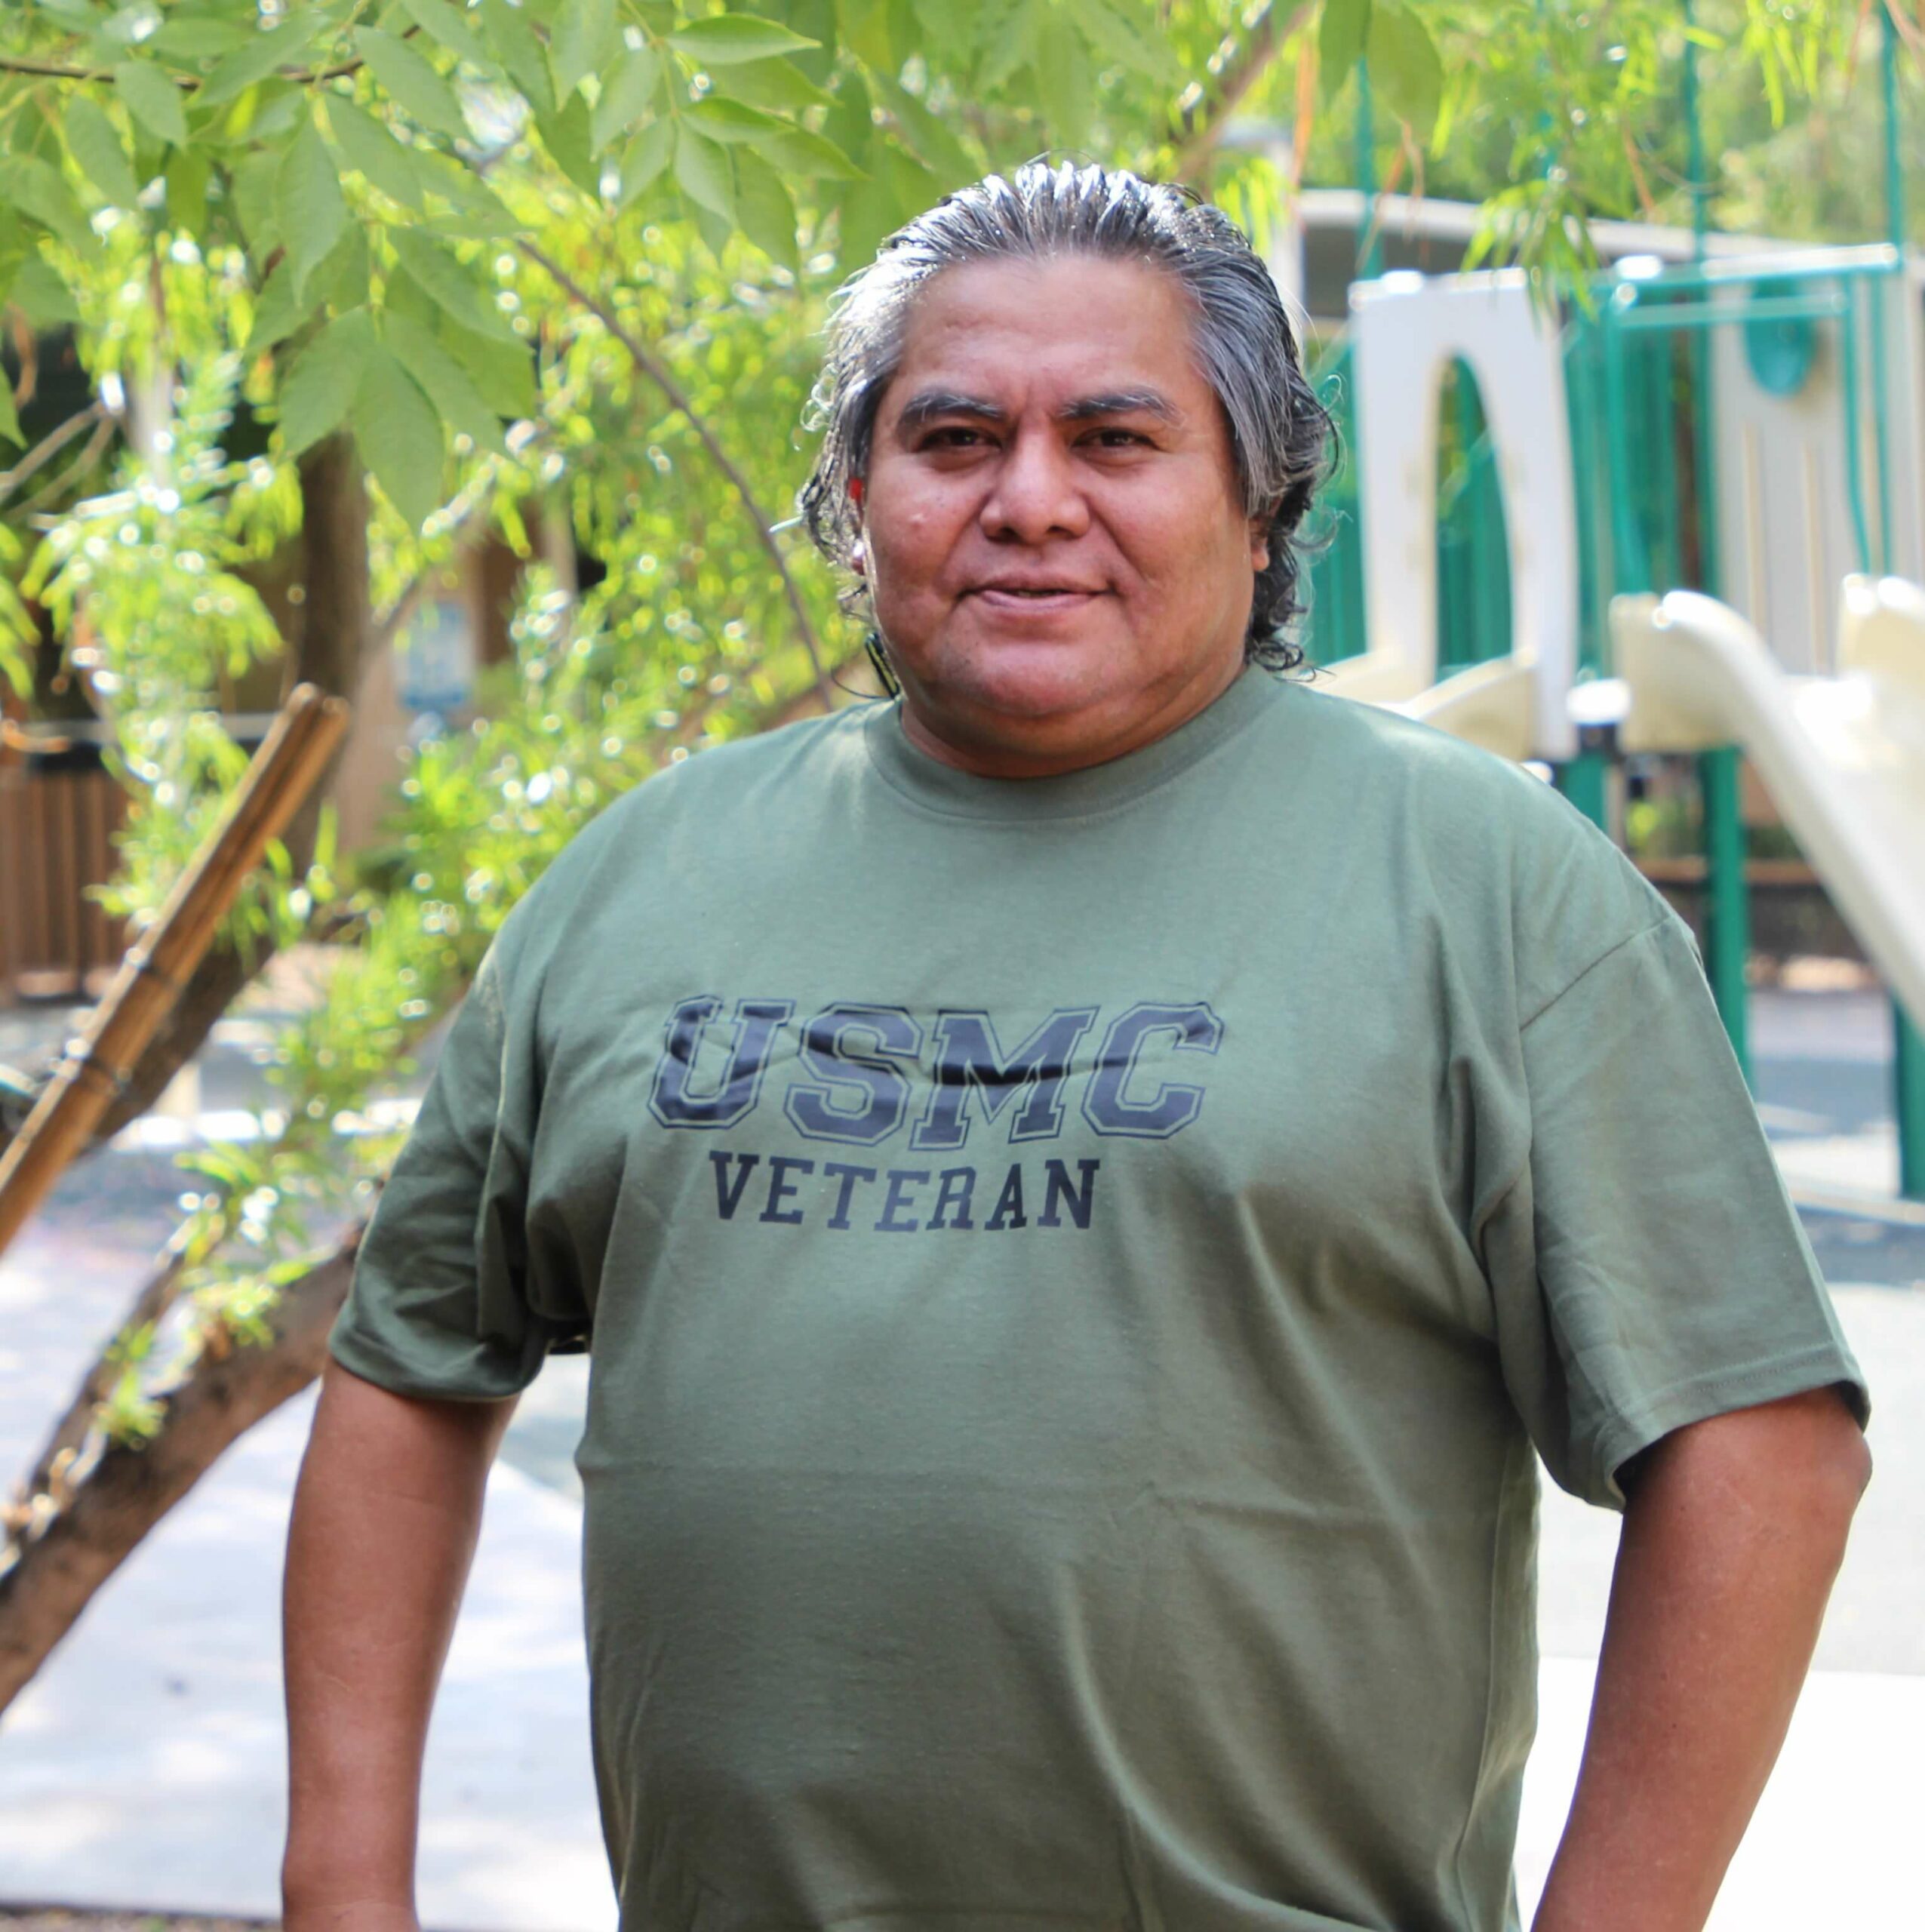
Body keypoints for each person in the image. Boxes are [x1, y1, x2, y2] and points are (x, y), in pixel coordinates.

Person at [283, 162, 1871, 1932]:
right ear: (854, 493)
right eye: (954, 437)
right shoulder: (644, 877)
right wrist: (343, 1882)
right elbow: (411, 1362)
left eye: (1117, 439)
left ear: (1259, 506)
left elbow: (1761, 1448)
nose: (1029, 501)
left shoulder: (1487, 886)